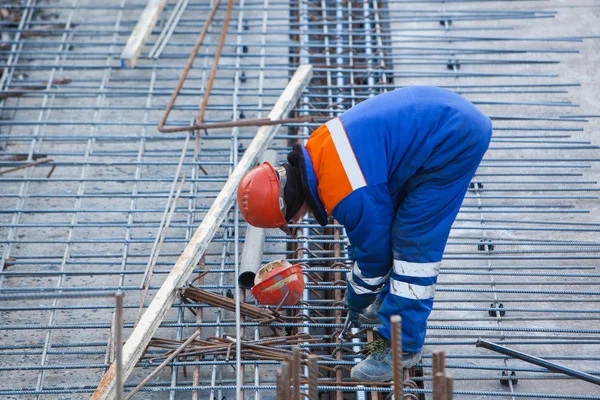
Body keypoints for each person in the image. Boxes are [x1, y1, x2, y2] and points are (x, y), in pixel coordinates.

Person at [237, 86, 492, 382]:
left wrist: (356, 298)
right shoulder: (318, 151)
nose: (294, 221)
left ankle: (403, 344)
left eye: (287, 219)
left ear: (288, 202)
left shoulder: (347, 191)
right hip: (433, 127)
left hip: (453, 139)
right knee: (393, 222)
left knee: (413, 243)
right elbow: (370, 226)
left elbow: (375, 254)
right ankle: (388, 304)